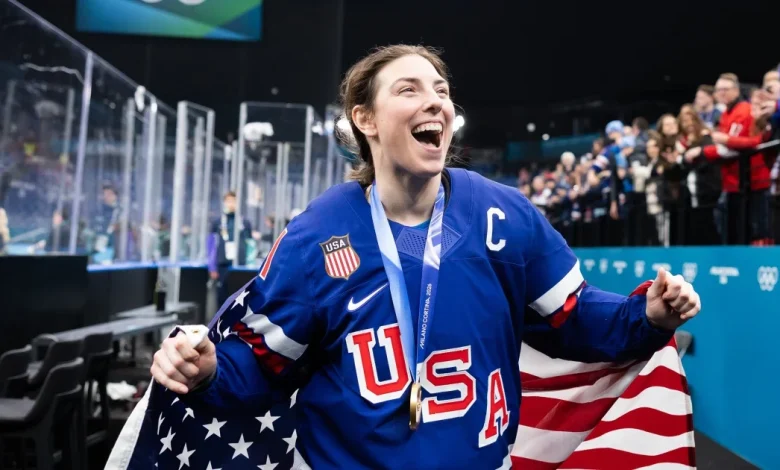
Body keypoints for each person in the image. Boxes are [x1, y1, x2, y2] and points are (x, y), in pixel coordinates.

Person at [150, 45, 701, 469]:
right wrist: (208, 370)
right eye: (409, 89)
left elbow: (574, 320)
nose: (435, 100)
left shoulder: (503, 217)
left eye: (441, 90)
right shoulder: (317, 233)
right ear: (365, 120)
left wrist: (648, 314)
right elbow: (264, 364)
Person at [206, 191, 252, 306]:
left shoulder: (245, 223)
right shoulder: (217, 223)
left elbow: (250, 244)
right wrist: (212, 267)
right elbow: (211, 245)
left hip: (240, 265)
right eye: (229, 201)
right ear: (224, 203)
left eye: (234, 201)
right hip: (223, 264)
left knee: (240, 297)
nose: (231, 204)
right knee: (222, 295)